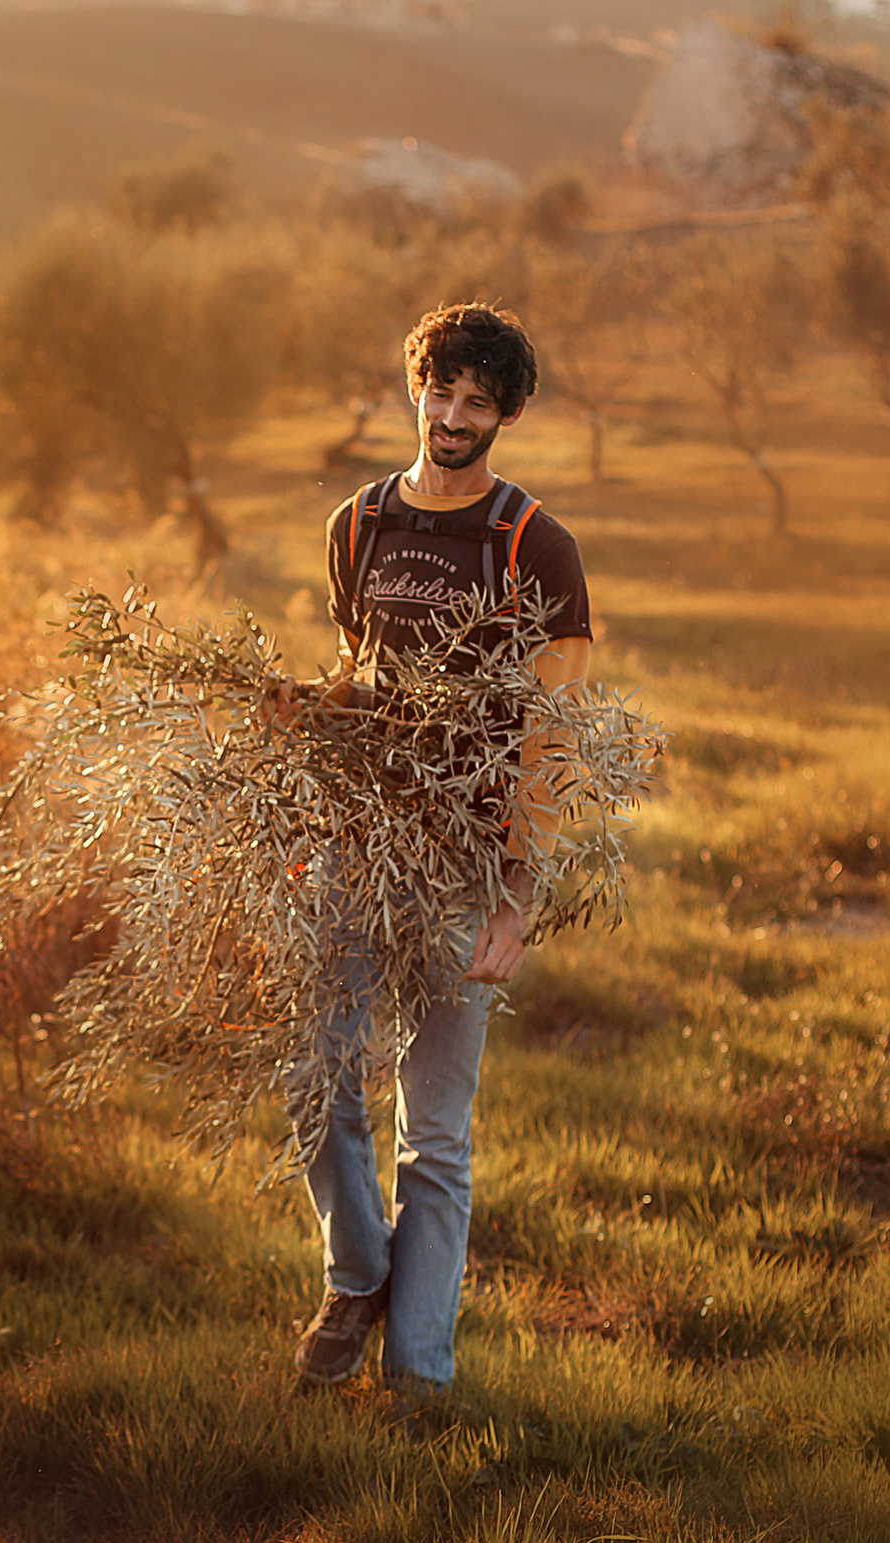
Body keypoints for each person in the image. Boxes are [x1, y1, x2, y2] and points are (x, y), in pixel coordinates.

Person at [275, 302, 593, 1396]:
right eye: (437, 391)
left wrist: (518, 896)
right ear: (413, 389)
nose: (450, 416)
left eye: (475, 400)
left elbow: (550, 740)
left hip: (464, 869)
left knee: (436, 1137)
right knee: (316, 1077)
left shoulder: (531, 544)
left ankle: (418, 1382)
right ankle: (356, 1274)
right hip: (359, 849)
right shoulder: (357, 523)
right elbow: (362, 674)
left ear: (504, 412)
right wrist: (301, 714)